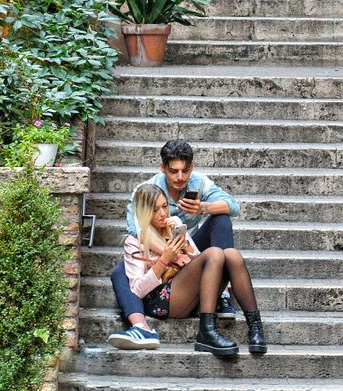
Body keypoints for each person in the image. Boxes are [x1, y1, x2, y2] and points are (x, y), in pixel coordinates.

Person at [108, 139, 241, 350]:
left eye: (185, 171)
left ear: (192, 167)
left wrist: (202, 207)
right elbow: (136, 231)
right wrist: (171, 253)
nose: (180, 177)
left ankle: (222, 294)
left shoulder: (200, 183)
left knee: (221, 219)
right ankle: (139, 327)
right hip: (158, 253)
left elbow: (233, 206)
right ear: (162, 168)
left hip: (192, 247)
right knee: (120, 270)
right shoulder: (145, 191)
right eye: (173, 171)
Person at [122, 183, 267, 358]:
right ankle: (207, 331)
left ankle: (255, 327)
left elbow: (203, 261)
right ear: (145, 213)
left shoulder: (174, 224)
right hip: (161, 300)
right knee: (214, 253)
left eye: (165, 206)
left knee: (231, 254)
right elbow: (137, 290)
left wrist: (186, 246)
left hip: (188, 293)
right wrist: (164, 260)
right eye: (155, 210)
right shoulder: (134, 242)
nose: (162, 214)